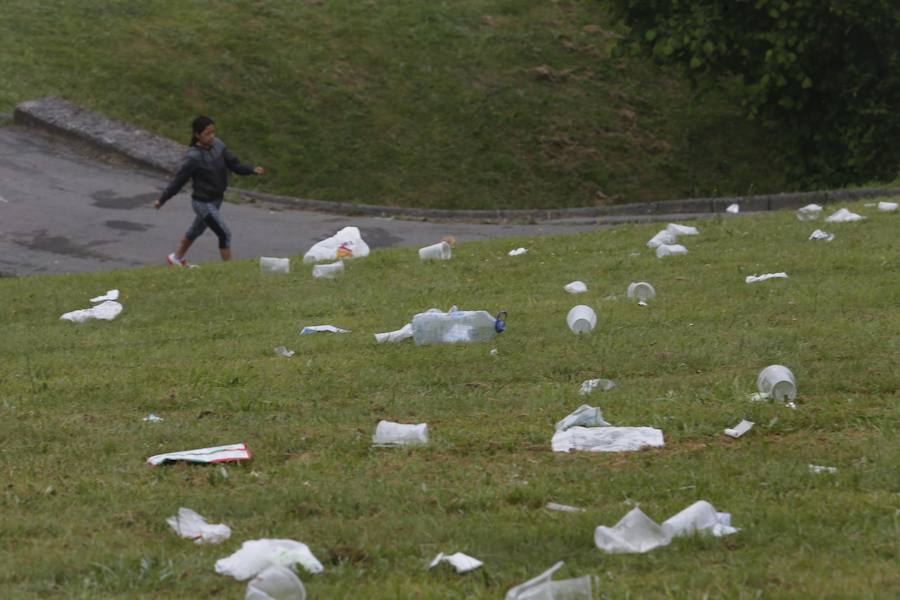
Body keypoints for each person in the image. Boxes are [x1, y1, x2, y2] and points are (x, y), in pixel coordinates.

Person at [154, 116, 264, 265]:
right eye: (207, 133)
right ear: (197, 135)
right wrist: (163, 199)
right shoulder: (193, 157)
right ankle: (231, 270)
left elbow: (234, 165)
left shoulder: (218, 145)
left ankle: (175, 258)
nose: (212, 136)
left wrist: (251, 170)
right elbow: (179, 181)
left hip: (216, 199)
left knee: (196, 230)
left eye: (213, 132)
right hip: (203, 203)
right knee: (224, 233)